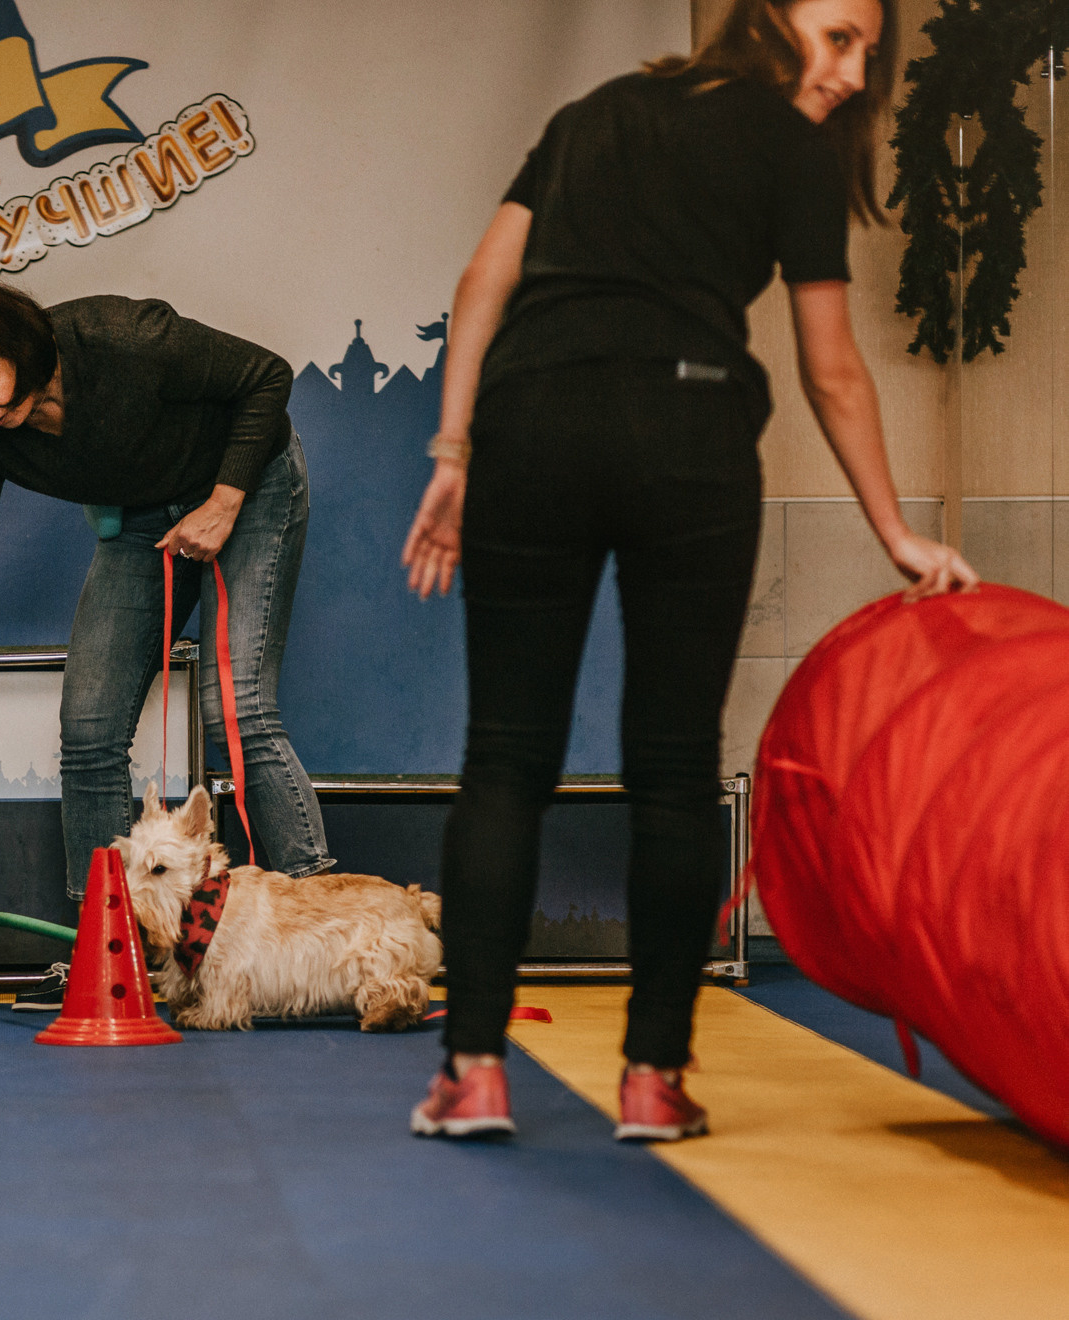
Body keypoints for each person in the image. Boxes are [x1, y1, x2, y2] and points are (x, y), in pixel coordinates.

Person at [400, 0, 978, 1141]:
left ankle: (471, 1073)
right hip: (691, 428)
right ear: (771, 17)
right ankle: (653, 1079)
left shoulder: (592, 112)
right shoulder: (793, 148)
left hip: (534, 422)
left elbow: (481, 282)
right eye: (843, 37)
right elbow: (832, 369)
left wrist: (454, 450)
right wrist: (898, 537)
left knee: (505, 761)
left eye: (870, 48)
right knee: (674, 767)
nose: (858, 73)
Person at [0, 273, 336, 1008]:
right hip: (141, 524)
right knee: (87, 729)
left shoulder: (125, 340)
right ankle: (104, 947)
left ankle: (328, 926)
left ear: (21, 347)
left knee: (237, 713)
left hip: (244, 486)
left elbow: (266, 377)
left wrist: (224, 502)